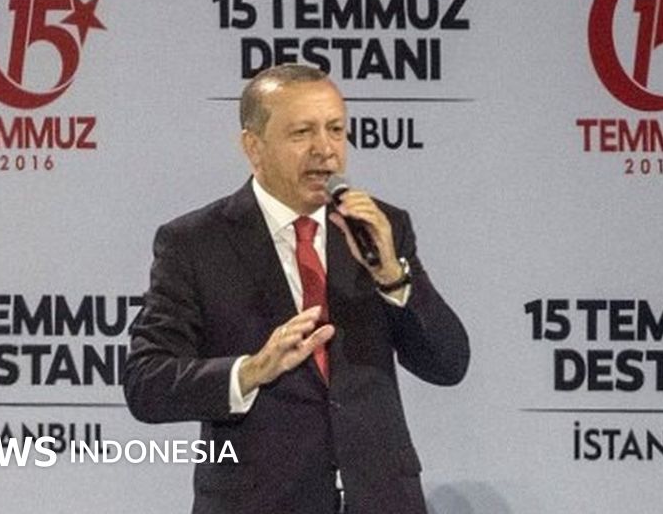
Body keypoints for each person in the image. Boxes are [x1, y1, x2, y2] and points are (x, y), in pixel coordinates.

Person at [124, 64, 470, 514]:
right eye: (302, 132)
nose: (325, 150)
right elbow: (147, 382)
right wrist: (252, 370)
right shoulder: (195, 243)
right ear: (254, 147)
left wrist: (391, 275)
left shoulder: (379, 228)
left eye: (336, 130)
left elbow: (447, 363)